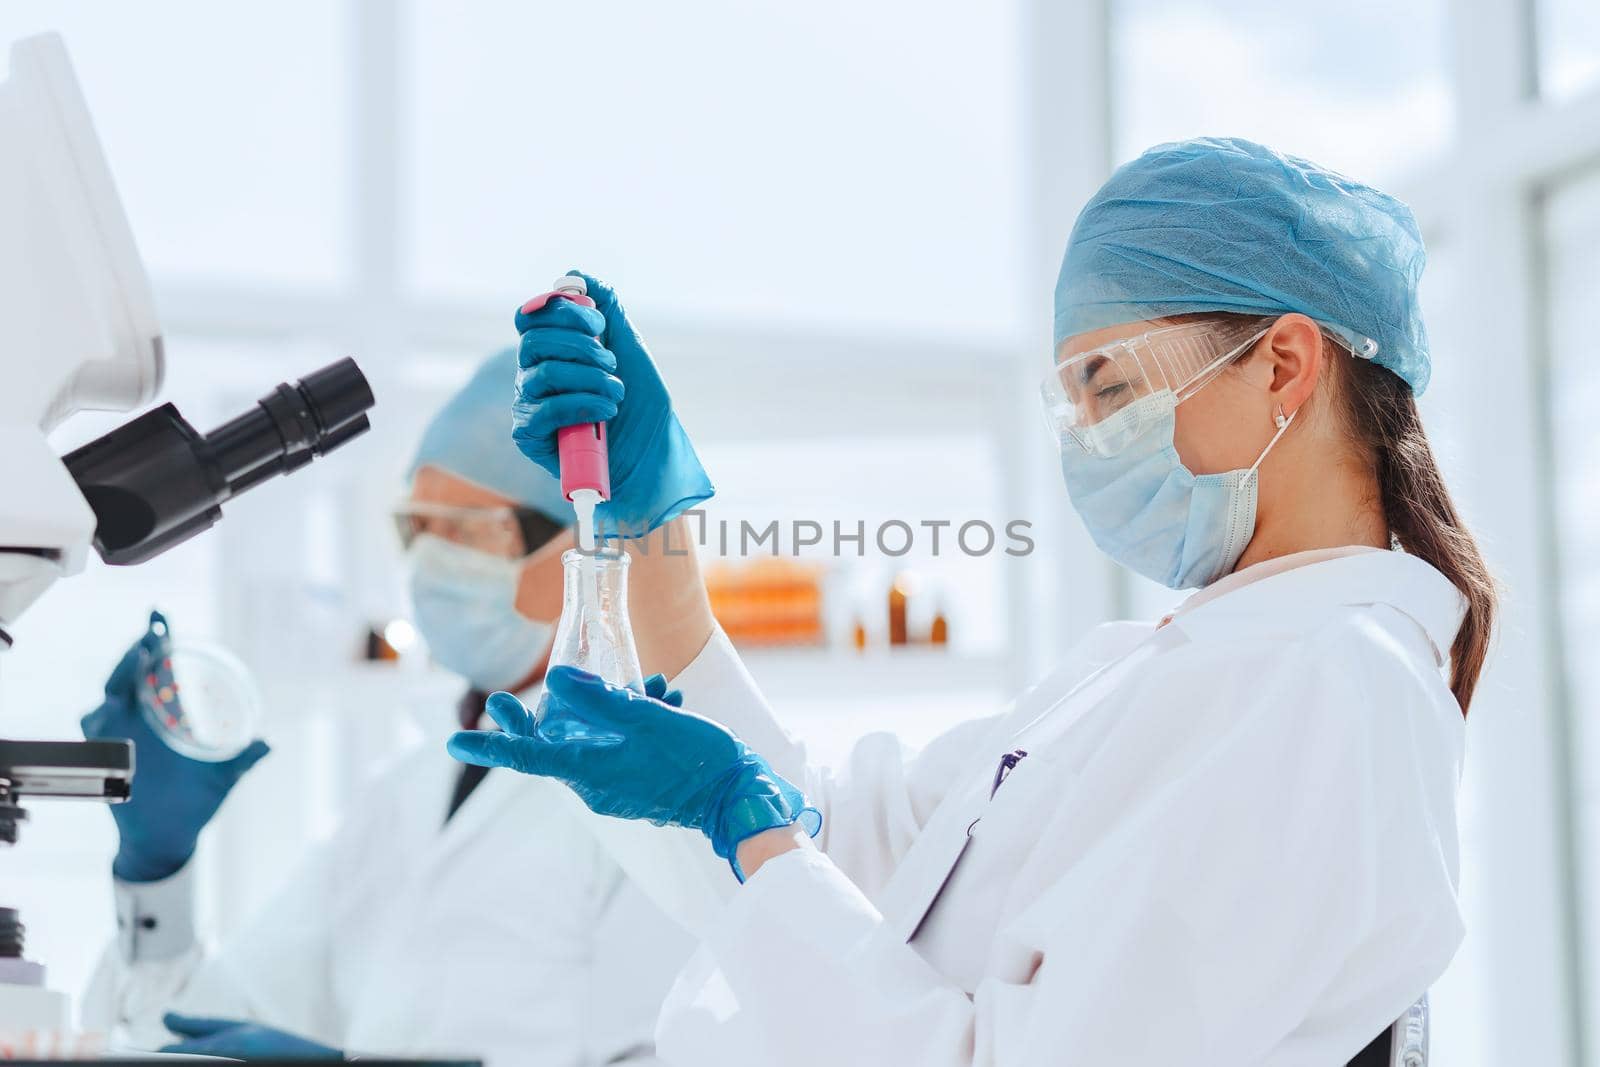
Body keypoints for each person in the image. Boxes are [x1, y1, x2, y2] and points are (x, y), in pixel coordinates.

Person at [451, 137, 1496, 1066]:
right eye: (1069, 402)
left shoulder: (1331, 682)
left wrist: (736, 812)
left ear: (1282, 361)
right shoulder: (1171, 665)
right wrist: (651, 520)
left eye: (1110, 385)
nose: (1085, 438)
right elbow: (848, 855)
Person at [80, 352, 694, 1064]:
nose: (432, 562)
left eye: (471, 530)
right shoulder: (401, 795)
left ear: (584, 547)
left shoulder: (646, 794)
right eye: (419, 528)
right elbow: (187, 1030)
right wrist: (156, 871)